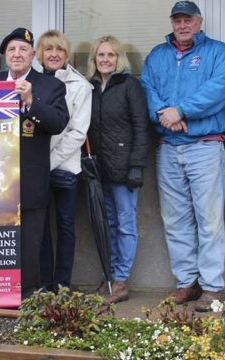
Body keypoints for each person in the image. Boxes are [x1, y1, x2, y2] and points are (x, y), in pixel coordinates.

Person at [140, 0, 225, 312]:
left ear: (199, 22)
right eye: (177, 20)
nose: (182, 25)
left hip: (205, 146)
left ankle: (211, 287)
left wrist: (181, 111)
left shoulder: (218, 52)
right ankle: (187, 281)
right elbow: (147, 89)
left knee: (209, 220)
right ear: (172, 23)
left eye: (188, 20)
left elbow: (220, 90)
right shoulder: (158, 55)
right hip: (168, 147)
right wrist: (163, 114)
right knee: (176, 219)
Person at [0, 27, 69, 298]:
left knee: (31, 244)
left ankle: (29, 297)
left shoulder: (50, 85)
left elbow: (58, 123)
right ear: (4, 56)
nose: (17, 54)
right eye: (12, 49)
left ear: (33, 55)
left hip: (30, 180)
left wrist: (31, 101)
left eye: (23, 49)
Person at [87, 35, 148, 304]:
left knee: (125, 225)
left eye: (111, 55)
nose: (105, 59)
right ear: (94, 59)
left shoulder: (129, 85)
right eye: (101, 55)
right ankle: (108, 277)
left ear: (118, 58)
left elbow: (140, 126)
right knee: (107, 225)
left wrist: (136, 165)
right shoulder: (89, 88)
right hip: (99, 169)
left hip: (124, 169)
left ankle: (121, 280)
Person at [35, 29, 93, 291]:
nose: (54, 54)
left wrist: (46, 162)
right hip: (34, 168)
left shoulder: (80, 86)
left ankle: (62, 285)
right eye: (48, 49)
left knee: (66, 227)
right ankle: (45, 284)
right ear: (39, 54)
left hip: (65, 168)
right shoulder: (31, 82)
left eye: (59, 49)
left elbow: (77, 133)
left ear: (67, 54)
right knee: (41, 229)